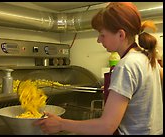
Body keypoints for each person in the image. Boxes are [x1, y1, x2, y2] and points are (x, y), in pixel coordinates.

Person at [34, 2, 163, 135]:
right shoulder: (146, 57)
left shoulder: (127, 65)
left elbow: (106, 127)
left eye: (102, 35)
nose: (98, 40)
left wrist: (61, 123)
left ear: (121, 34)